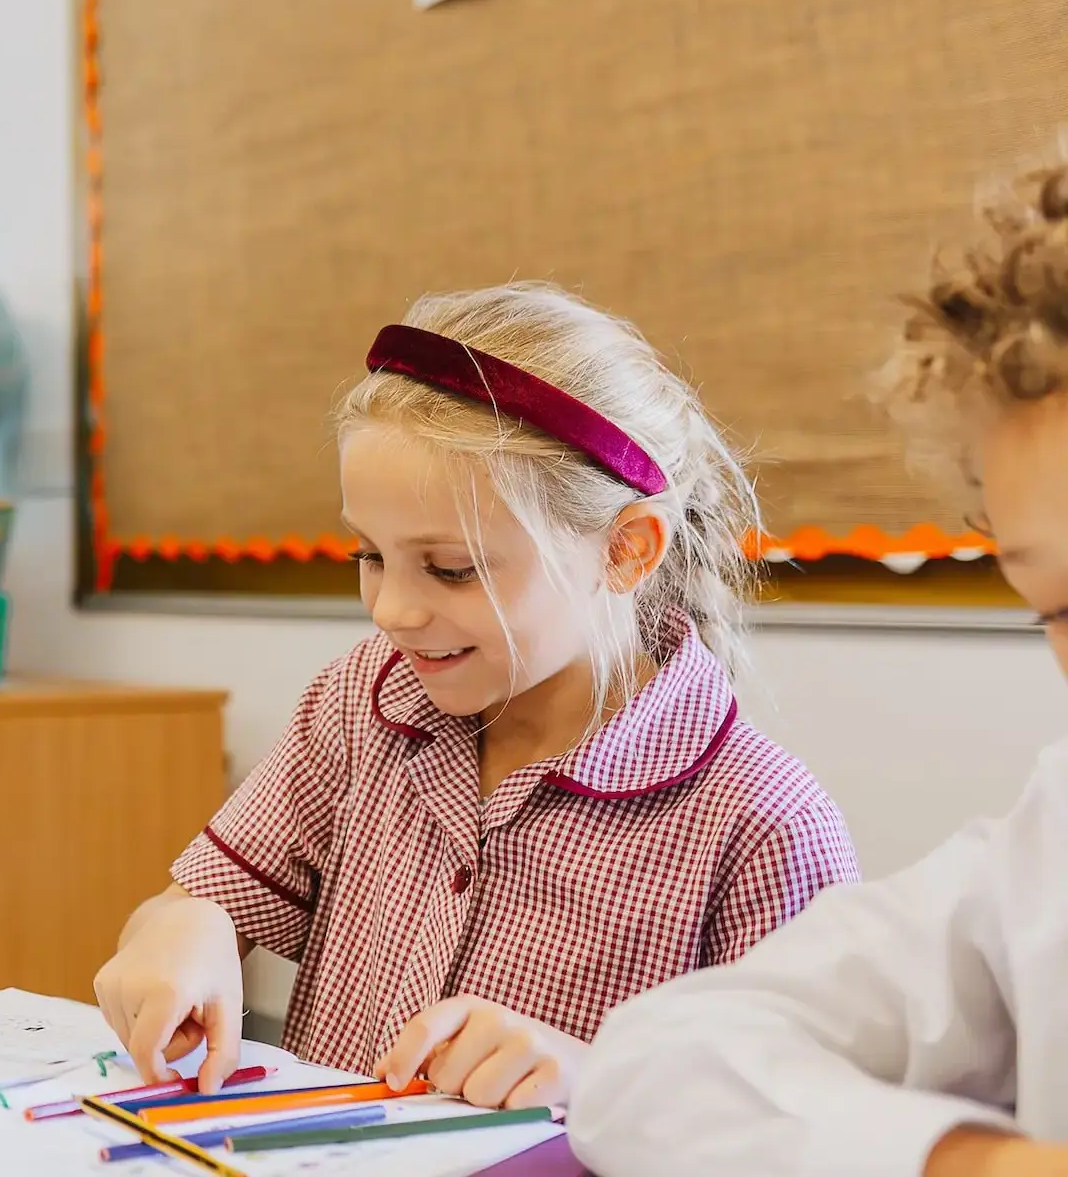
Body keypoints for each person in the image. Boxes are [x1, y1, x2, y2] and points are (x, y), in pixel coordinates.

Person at [94, 282, 857, 1111]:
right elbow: (202, 899)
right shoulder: (362, 701)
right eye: (369, 555)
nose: (391, 610)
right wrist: (184, 928)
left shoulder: (764, 825)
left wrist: (599, 1083)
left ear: (627, 550)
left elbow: (805, 1123)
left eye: (451, 569)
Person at [572, 163, 1068, 1176]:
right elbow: (651, 1064)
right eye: (1057, 608)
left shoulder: (757, 803)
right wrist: (975, 1162)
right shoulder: (1044, 848)